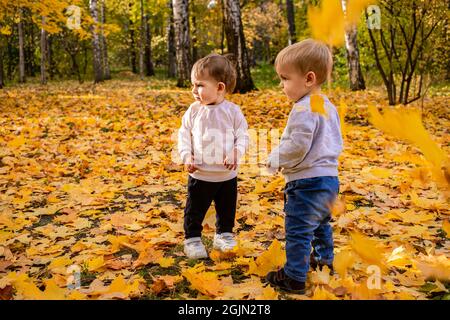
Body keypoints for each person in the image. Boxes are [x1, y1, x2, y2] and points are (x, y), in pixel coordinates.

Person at [265, 39, 343, 293]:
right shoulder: (328, 106)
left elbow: (297, 145)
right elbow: (334, 141)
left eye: (285, 78)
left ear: (308, 79)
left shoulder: (303, 108)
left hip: (307, 182)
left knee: (298, 229)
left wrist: (275, 159)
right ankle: (324, 262)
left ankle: (294, 277)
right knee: (321, 224)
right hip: (329, 179)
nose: (282, 85)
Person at [178, 53, 249, 259]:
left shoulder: (233, 112)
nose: (194, 90)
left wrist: (236, 152)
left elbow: (243, 136)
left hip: (227, 176)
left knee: (226, 209)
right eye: (193, 85)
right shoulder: (193, 111)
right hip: (200, 175)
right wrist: (187, 156)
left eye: (199, 85)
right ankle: (192, 239)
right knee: (195, 209)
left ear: (219, 87)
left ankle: (224, 235)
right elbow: (184, 136)